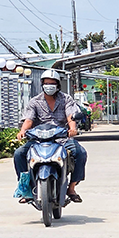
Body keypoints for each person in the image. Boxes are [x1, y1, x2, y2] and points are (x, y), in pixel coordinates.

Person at [13, 69, 88, 203]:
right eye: (46, 83)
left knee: (80, 152)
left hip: (61, 139)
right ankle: (26, 189)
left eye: (52, 83)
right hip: (38, 140)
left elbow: (70, 116)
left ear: (58, 85)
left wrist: (72, 129)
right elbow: (29, 120)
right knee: (19, 154)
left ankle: (71, 188)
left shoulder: (66, 99)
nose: (49, 86)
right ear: (42, 85)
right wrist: (22, 131)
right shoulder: (35, 101)